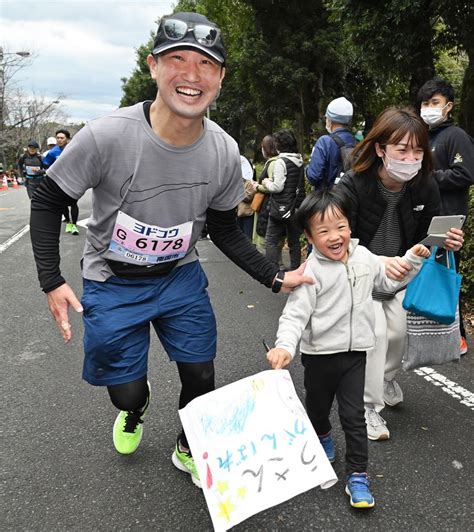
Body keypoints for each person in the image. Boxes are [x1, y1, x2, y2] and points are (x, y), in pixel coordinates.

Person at [30, 11, 313, 489]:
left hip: (179, 278)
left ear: (220, 78)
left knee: (202, 375)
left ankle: (189, 444)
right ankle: (135, 408)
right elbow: (50, 198)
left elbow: (224, 228)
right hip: (112, 280)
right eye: (177, 60)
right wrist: (50, 280)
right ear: (153, 67)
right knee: (124, 392)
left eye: (206, 64)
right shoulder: (107, 135)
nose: (191, 74)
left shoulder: (223, 151)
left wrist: (275, 276)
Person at [266, 188, 429, 509]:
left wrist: (411, 259)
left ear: (350, 226)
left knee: (354, 417)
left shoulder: (365, 257)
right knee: (317, 410)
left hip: (357, 356)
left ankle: (357, 475)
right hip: (319, 358)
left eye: (340, 226)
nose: (335, 236)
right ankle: (323, 435)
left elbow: (389, 282)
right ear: (310, 238)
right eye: (323, 231)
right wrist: (285, 347)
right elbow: (294, 316)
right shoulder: (310, 272)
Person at [337, 107, 464, 441]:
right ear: (381, 149)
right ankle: (367, 408)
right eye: (402, 149)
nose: (411, 157)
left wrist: (446, 241)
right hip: (361, 271)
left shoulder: (425, 185)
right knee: (377, 334)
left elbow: (426, 238)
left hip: (402, 270)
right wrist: (376, 261)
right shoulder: (353, 184)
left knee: (399, 333)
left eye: (418, 150)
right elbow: (337, 240)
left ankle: (385, 378)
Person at [418, 77, 474, 355]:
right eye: (425, 103)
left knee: (446, 274)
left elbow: (465, 174)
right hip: (425, 215)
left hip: (448, 219)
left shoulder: (456, 136)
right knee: (424, 272)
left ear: (448, 106)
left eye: (435, 103)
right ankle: (432, 334)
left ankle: (458, 337)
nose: (428, 108)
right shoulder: (424, 137)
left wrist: (428, 177)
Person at [261, 129, 305, 270]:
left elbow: (277, 187)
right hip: (295, 207)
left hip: (280, 207)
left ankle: (272, 271)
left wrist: (266, 182)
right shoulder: (299, 160)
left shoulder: (281, 161)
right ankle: (296, 269)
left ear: (279, 144)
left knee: (271, 240)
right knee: (294, 241)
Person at [306, 97, 356, 190]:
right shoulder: (356, 142)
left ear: (330, 120)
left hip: (328, 200)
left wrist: (307, 168)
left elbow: (313, 177)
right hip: (350, 199)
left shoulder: (325, 142)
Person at [43, 129, 79, 235]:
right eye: (57, 138)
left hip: (73, 180)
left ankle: (74, 225)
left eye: (62, 138)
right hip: (59, 181)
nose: (59, 140)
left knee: (73, 203)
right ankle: (67, 220)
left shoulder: (73, 149)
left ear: (67, 139)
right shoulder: (53, 152)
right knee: (62, 203)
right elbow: (46, 164)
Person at [254, 135, 279, 254]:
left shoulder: (273, 163)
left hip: (268, 204)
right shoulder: (274, 161)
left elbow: (273, 185)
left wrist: (257, 186)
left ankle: (272, 264)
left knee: (267, 238)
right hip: (270, 204)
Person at [236, 154, 256, 239]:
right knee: (238, 236)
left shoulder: (250, 182)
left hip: (247, 212)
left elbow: (249, 197)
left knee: (247, 236)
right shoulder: (238, 180)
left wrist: (237, 193)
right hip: (238, 212)